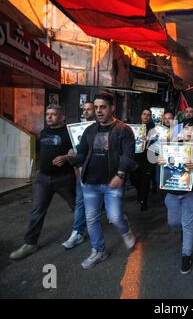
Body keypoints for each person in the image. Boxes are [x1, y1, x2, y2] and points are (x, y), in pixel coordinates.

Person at [70, 92, 137, 269]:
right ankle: (98, 251)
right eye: (96, 107)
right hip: (90, 183)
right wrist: (73, 160)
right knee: (91, 219)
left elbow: (128, 155)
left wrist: (121, 175)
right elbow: (82, 152)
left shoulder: (123, 129)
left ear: (112, 108)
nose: (98, 111)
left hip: (112, 183)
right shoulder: (90, 130)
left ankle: (126, 230)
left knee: (114, 217)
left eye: (103, 107)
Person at [10, 105, 76, 260]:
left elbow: (77, 152)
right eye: (47, 114)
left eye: (53, 114)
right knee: (37, 211)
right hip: (43, 179)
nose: (49, 117)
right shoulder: (44, 132)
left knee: (76, 207)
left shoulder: (69, 133)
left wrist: (67, 157)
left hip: (64, 178)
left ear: (62, 117)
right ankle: (30, 244)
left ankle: (82, 231)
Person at [158, 118, 193, 274]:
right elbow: (161, 163)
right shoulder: (172, 145)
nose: (188, 131)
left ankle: (186, 255)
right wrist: (160, 160)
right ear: (182, 130)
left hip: (192, 192)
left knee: (188, 224)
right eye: (186, 127)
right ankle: (185, 234)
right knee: (173, 222)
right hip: (173, 191)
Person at [62, 102, 96, 249]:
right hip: (82, 170)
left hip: (101, 171)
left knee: (109, 203)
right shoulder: (76, 129)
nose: (86, 111)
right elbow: (74, 148)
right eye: (84, 109)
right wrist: (71, 152)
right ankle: (78, 232)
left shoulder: (105, 127)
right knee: (80, 201)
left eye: (89, 109)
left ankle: (116, 219)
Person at [130, 109, 155, 211]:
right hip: (135, 157)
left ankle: (143, 201)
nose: (146, 116)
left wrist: (150, 139)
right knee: (133, 178)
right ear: (141, 116)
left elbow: (157, 144)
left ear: (151, 117)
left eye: (149, 115)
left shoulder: (154, 129)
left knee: (145, 180)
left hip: (148, 158)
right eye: (144, 114)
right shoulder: (135, 128)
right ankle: (140, 192)